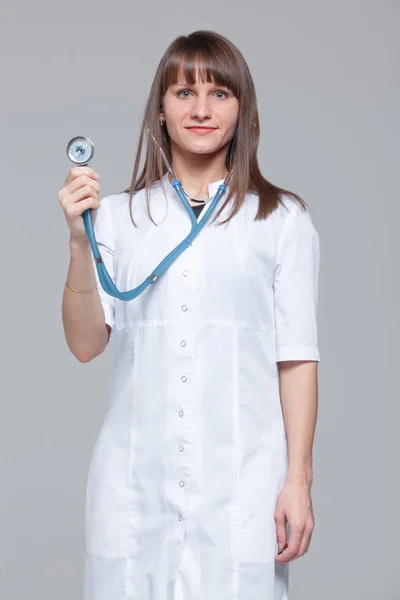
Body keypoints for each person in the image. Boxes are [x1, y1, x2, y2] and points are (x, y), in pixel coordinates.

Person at [59, 30, 320, 600]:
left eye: (220, 94)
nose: (201, 109)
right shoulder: (120, 217)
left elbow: (297, 358)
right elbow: (84, 345)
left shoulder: (281, 221)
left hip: (242, 484)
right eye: (184, 92)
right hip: (134, 482)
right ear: (160, 109)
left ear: (242, 110)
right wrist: (81, 242)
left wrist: (297, 480)